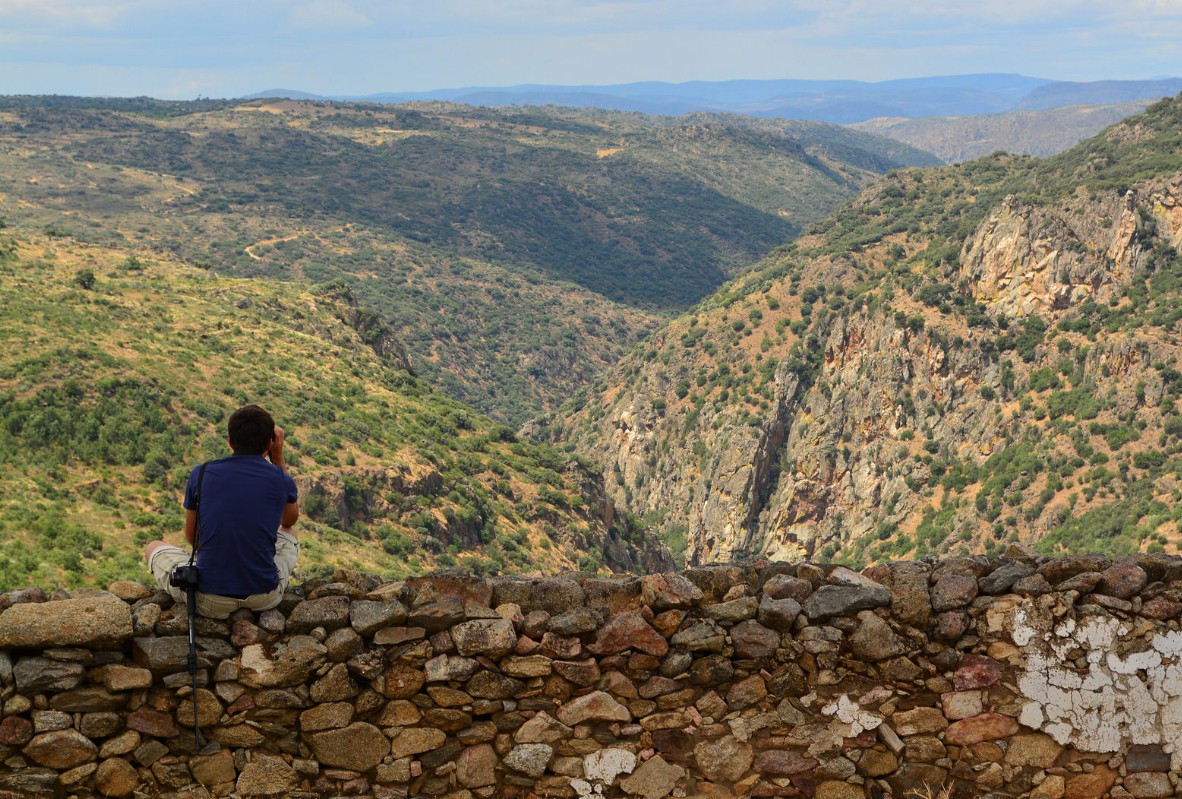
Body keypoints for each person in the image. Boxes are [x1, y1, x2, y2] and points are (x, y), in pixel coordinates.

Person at [145, 404, 300, 619]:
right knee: (289, 534)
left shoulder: (201, 473)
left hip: (209, 600)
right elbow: (289, 520)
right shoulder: (279, 478)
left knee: (154, 547)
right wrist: (278, 457)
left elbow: (192, 538)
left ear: (229, 441)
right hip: (264, 596)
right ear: (269, 443)